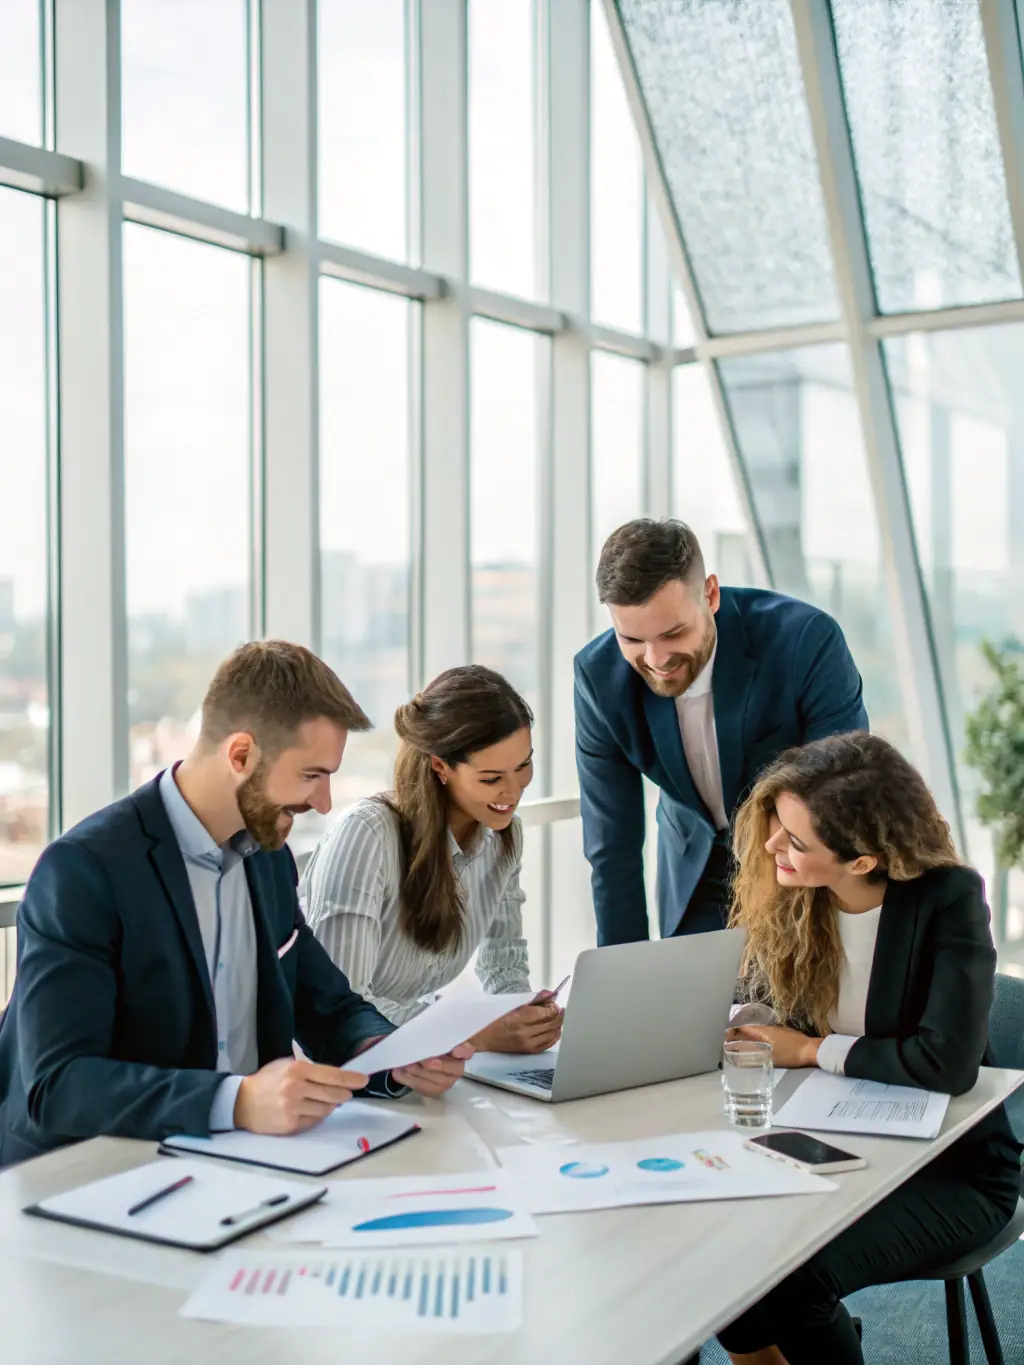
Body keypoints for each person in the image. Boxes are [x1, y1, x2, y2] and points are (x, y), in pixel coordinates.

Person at [0, 642, 470, 1167]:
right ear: (240, 755)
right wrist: (237, 1101)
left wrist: (390, 1056)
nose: (323, 803)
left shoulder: (268, 859)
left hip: (242, 1166)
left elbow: (328, 1006)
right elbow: (58, 1084)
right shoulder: (84, 871)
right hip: (90, 1175)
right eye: (312, 775)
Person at [717, 732, 1022, 1365]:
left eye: (797, 842)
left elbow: (945, 1063)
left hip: (952, 1172)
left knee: (795, 1280)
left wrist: (810, 1051)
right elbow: (761, 1004)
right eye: (777, 824)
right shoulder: (793, 899)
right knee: (724, 1258)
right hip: (831, 1144)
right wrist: (739, 1021)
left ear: (862, 861)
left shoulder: (950, 900)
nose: (773, 846)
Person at [575, 518, 868, 943]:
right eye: (633, 640)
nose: (656, 659)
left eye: (673, 633)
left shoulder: (805, 642)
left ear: (710, 594)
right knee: (690, 1007)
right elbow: (611, 849)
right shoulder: (599, 678)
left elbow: (845, 794)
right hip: (694, 879)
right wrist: (625, 982)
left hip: (797, 871)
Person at [302, 665, 563, 1055]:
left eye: (523, 766)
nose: (513, 792)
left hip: (414, 1062)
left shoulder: (504, 836)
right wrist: (474, 1032)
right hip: (340, 1068)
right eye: (491, 778)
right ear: (440, 766)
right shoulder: (368, 834)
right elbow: (343, 1006)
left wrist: (523, 1015)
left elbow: (504, 964)